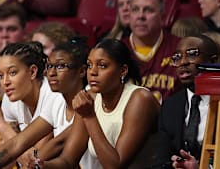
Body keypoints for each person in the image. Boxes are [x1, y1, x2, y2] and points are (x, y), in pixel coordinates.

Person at [31, 39, 160, 169]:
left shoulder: (140, 99)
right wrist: (43, 165)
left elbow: (115, 165)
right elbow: (68, 160)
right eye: (89, 65)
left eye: (102, 65)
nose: (93, 72)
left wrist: (89, 116)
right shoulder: (91, 98)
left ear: (123, 70)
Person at [0, 38, 91, 168]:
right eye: (0, 75)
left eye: (13, 72)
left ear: (33, 72)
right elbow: (15, 147)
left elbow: (43, 154)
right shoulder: (12, 98)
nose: (5, 82)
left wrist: (1, 124)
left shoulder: (57, 96)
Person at [158, 35, 220, 164]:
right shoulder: (170, 105)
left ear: (214, 62)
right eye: (178, 57)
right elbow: (161, 159)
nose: (183, 62)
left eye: (192, 55)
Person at [123, 0, 180, 102]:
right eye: (135, 10)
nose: (140, 16)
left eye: (148, 10)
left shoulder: (178, 48)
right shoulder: (117, 51)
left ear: (163, 16)